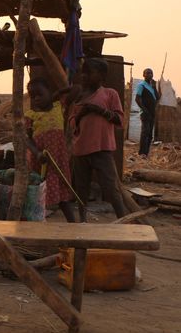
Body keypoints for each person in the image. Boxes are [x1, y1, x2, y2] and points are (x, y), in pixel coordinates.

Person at [69, 57, 127, 221]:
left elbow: (119, 120)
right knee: (81, 188)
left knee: (110, 187)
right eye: (83, 72)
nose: (85, 76)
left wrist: (98, 110)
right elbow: (72, 123)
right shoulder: (79, 97)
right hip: (80, 149)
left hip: (102, 149)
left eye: (90, 72)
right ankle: (83, 220)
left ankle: (123, 221)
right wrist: (81, 114)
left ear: (102, 76)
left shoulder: (110, 94)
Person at [25, 78, 76, 222]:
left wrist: (58, 93)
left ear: (50, 93)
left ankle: (73, 225)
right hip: (40, 162)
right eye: (33, 96)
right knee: (37, 194)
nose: (36, 99)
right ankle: (36, 225)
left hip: (58, 161)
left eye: (40, 94)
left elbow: (76, 89)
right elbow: (26, 139)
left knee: (63, 193)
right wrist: (37, 153)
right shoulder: (30, 115)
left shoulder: (58, 107)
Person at [135, 68, 159, 158]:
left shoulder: (152, 86)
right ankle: (142, 153)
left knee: (149, 134)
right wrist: (144, 110)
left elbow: (157, 97)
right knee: (145, 132)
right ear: (143, 75)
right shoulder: (141, 85)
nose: (149, 75)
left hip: (152, 113)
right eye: (147, 73)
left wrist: (154, 87)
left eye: (151, 73)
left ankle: (146, 153)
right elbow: (137, 99)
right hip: (145, 113)